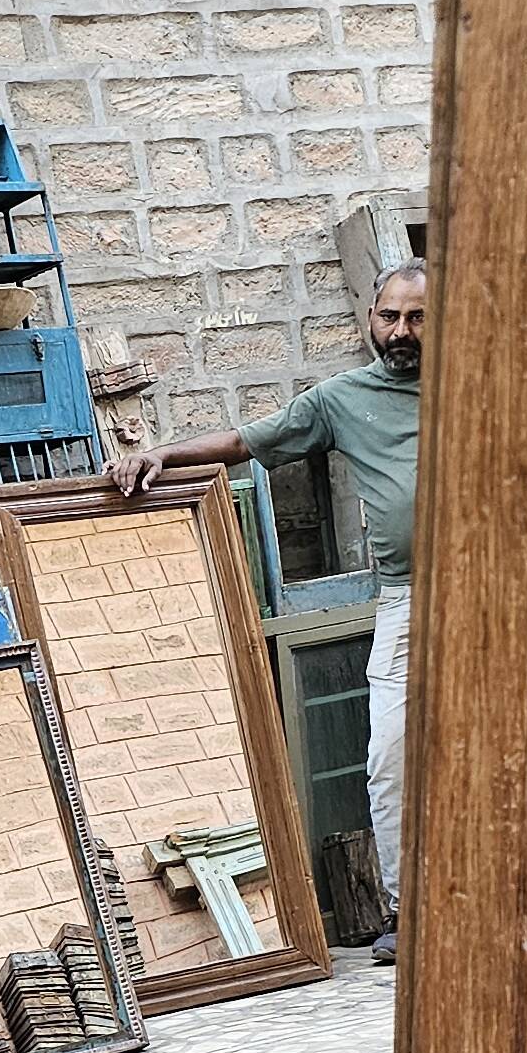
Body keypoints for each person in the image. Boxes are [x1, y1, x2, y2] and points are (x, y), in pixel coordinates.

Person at [108, 262, 423, 964]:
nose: (400, 332)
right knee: (393, 760)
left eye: (418, 318)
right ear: (372, 321)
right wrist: (161, 453)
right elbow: (245, 442)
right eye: (389, 317)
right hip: (410, 602)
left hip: (500, 594)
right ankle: (412, 913)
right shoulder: (343, 399)